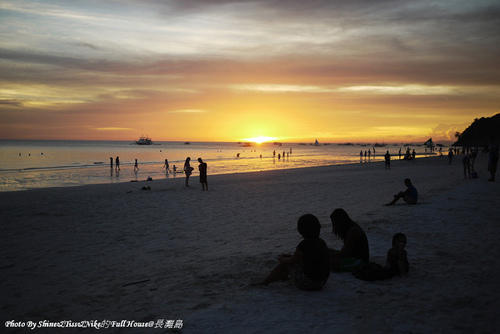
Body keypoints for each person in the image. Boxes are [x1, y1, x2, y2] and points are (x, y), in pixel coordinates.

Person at [252, 214, 330, 290]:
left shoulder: (303, 244)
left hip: (310, 284)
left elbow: (291, 262)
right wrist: (289, 256)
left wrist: (281, 258)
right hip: (322, 282)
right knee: (290, 260)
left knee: (285, 263)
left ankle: (265, 282)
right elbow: (308, 258)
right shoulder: (321, 242)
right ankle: (283, 277)